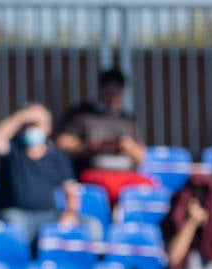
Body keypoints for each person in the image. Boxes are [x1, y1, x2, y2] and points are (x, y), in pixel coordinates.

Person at [0, 101, 86, 239]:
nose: (30, 129)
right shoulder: (13, 149)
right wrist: (22, 116)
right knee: (14, 225)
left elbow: (71, 191)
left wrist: (70, 212)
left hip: (49, 216)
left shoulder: (57, 156)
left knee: (90, 225)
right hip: (18, 215)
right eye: (27, 125)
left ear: (48, 128)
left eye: (36, 124)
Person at [54, 67, 148, 204]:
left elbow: (142, 156)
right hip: (94, 174)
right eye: (109, 93)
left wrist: (127, 146)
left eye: (116, 94)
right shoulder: (83, 114)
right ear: (101, 90)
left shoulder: (128, 120)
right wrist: (90, 146)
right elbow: (62, 142)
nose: (112, 99)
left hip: (126, 175)